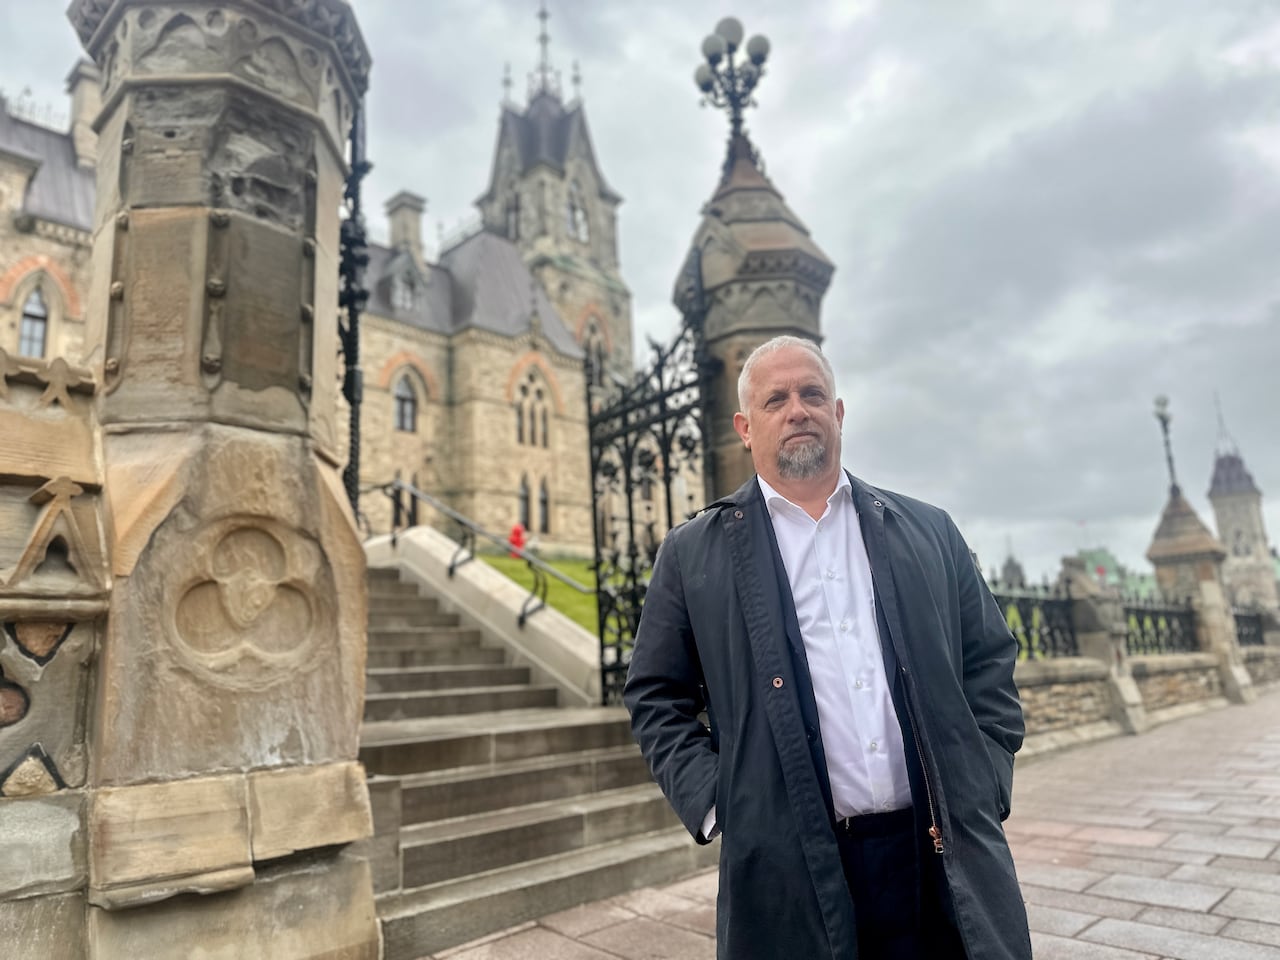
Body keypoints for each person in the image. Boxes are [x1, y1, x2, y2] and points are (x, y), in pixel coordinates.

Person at [624, 335, 1031, 959]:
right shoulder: (692, 553)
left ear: (837, 412)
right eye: (775, 399)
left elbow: (989, 662)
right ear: (745, 427)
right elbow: (656, 695)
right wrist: (720, 802)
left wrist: (984, 779)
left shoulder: (929, 530)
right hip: (792, 870)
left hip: (940, 853)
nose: (797, 410)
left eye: (812, 394)